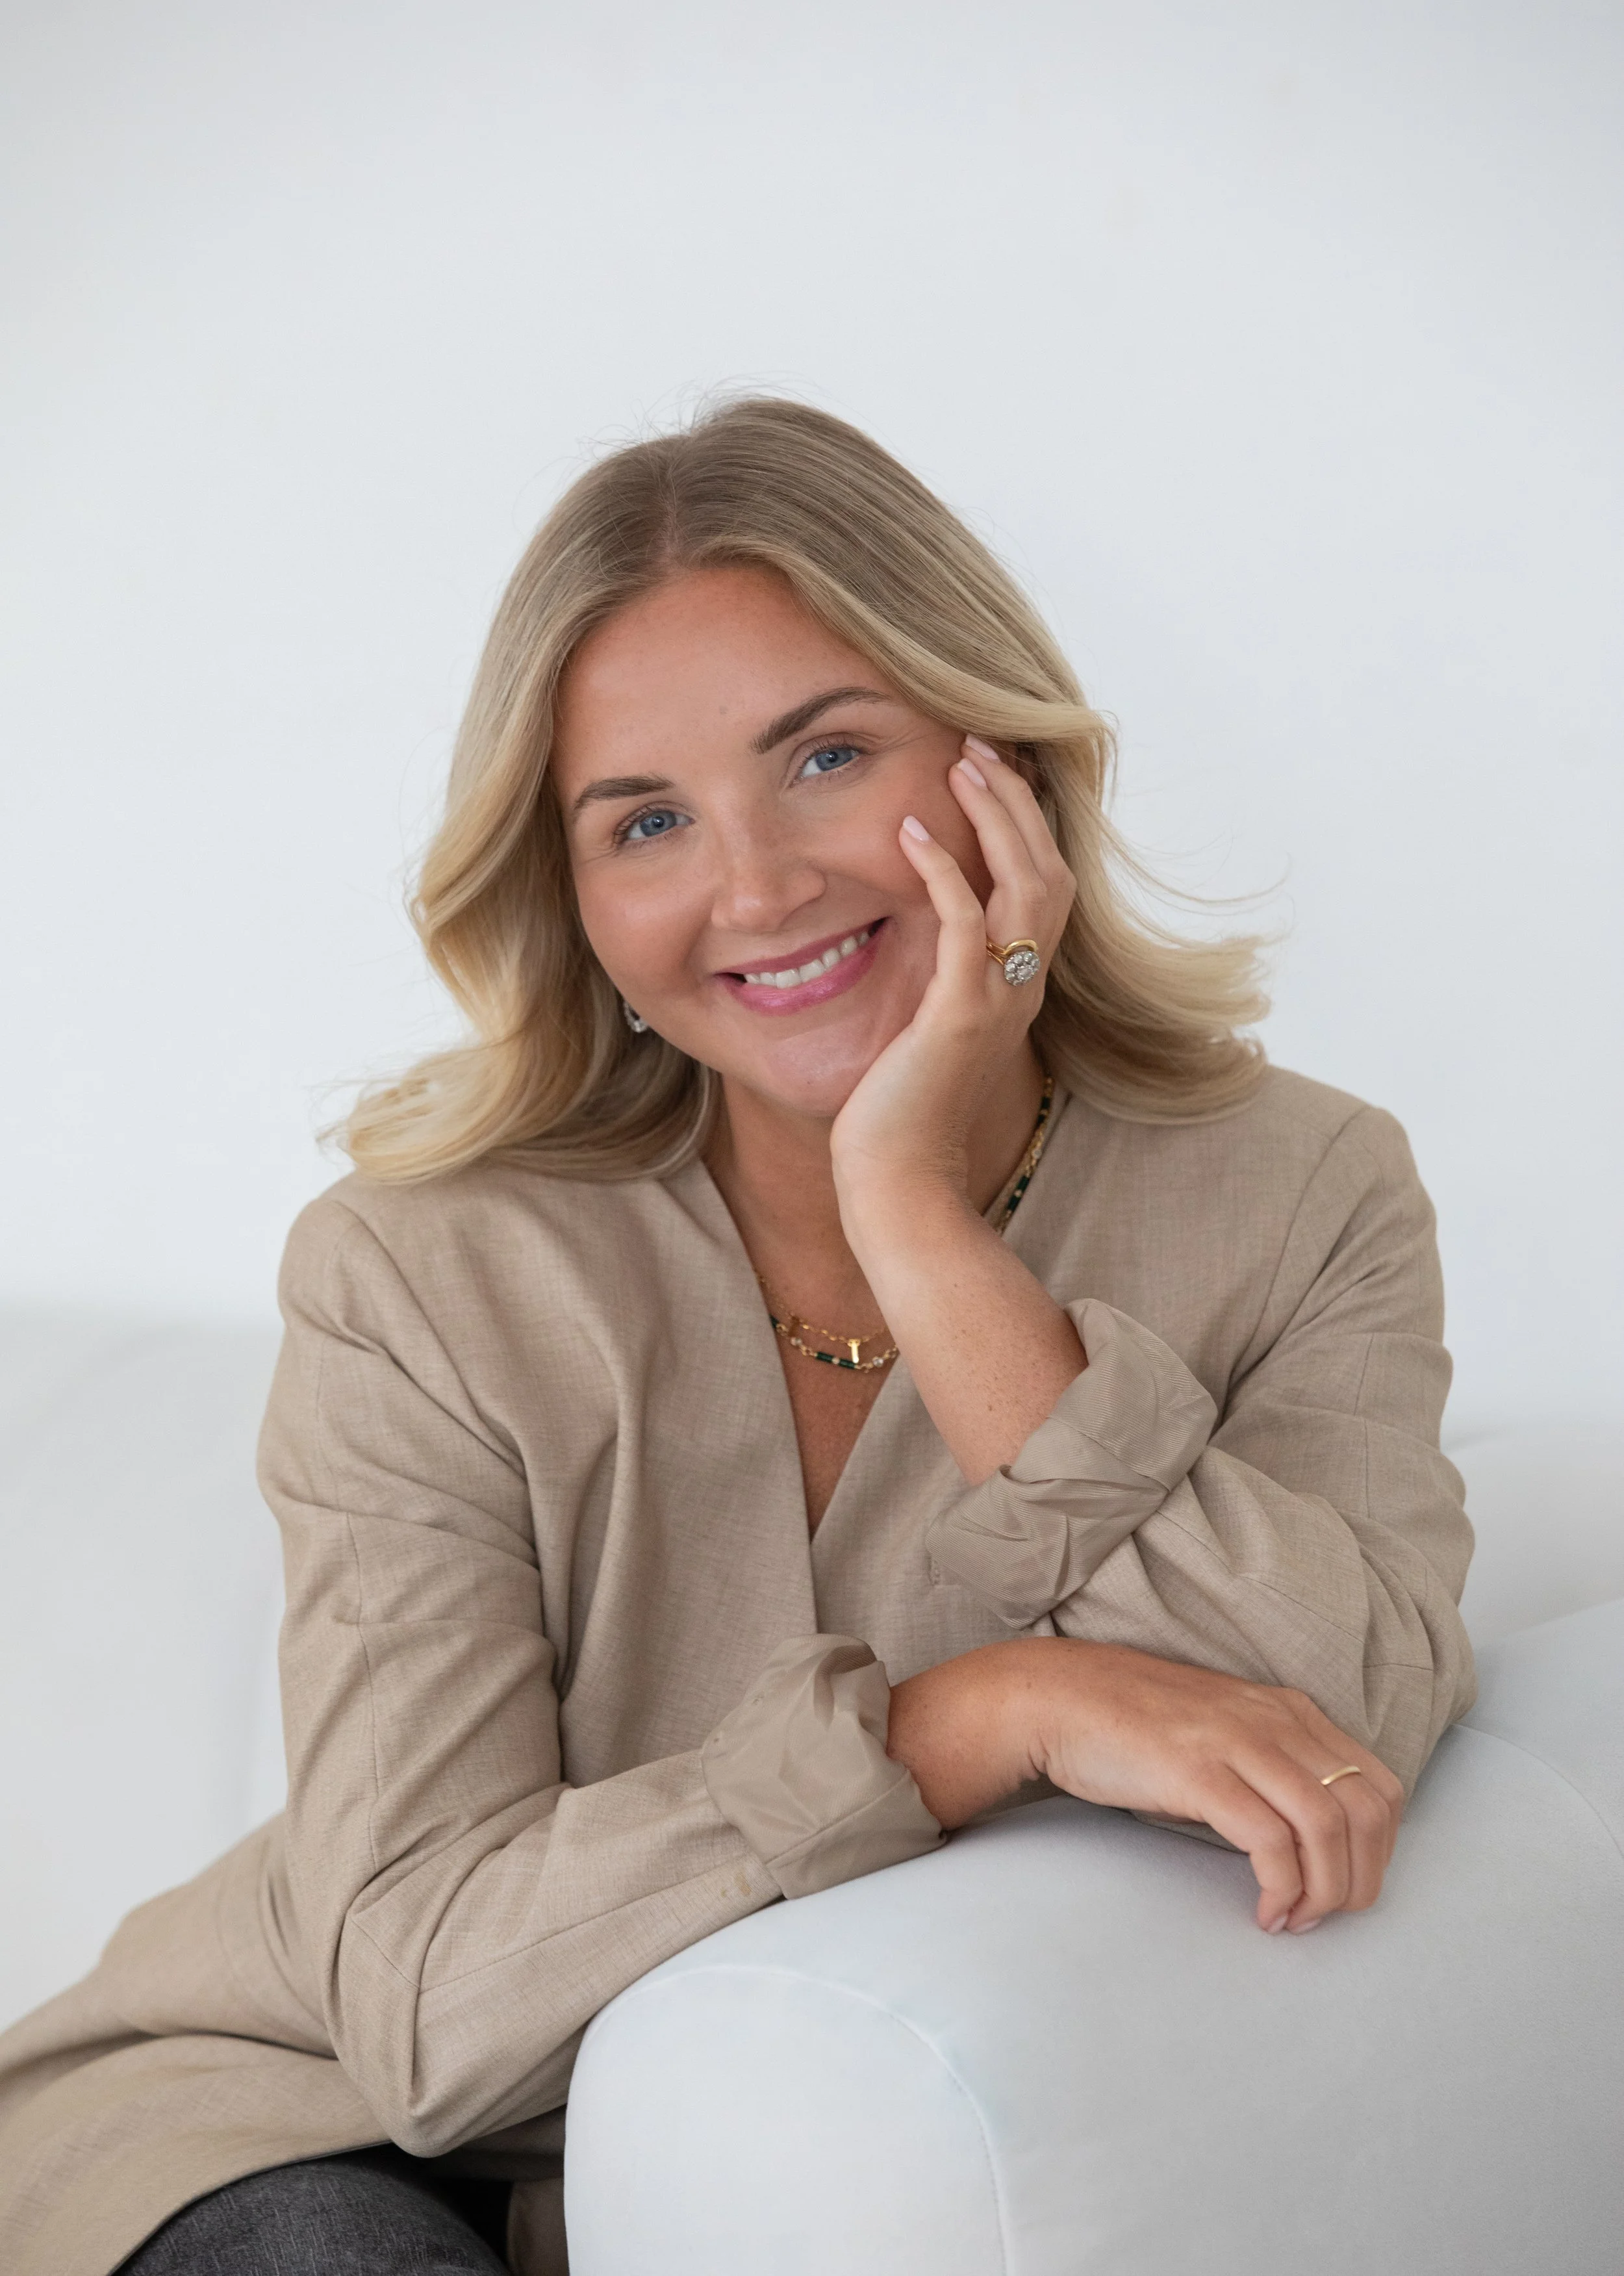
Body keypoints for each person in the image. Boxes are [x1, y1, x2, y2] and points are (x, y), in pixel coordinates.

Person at [0, 399, 1475, 2276]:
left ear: (1001, 756)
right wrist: (963, 1720)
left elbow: (1332, 1726)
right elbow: (432, 2011)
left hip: (822, 2177)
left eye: (827, 754)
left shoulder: (1301, 1189)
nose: (757, 888)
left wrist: (920, 1225)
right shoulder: (417, 1274)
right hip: (306, 2124)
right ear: (574, 891)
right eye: (645, 820)